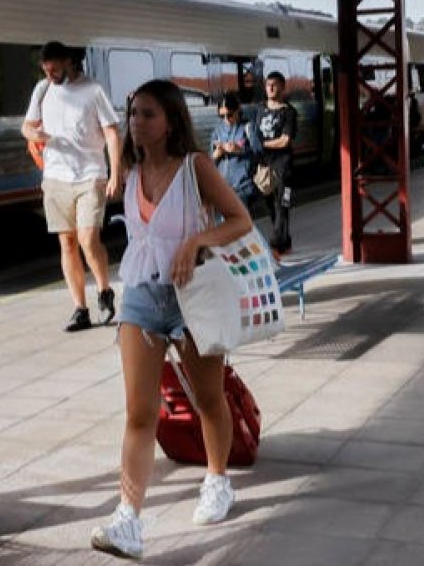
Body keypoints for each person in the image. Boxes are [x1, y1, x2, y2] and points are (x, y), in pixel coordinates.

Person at [90, 79, 252, 559]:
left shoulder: (195, 168)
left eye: (147, 114)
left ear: (171, 121)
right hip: (142, 296)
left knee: (207, 399)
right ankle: (128, 520)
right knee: (140, 414)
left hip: (193, 298)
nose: (135, 122)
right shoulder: (132, 171)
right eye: (132, 113)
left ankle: (218, 480)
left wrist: (194, 241)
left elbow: (239, 219)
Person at [21, 41, 123, 332]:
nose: (50, 75)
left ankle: (104, 289)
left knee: (88, 239)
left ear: (68, 62)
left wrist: (115, 173)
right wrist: (35, 133)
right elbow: (26, 127)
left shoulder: (93, 91)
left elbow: (112, 134)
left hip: (90, 175)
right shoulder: (42, 90)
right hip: (55, 177)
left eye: (54, 69)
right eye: (46, 70)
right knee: (66, 242)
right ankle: (80, 309)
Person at [247, 71, 297, 257]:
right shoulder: (260, 109)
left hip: (284, 167)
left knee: (282, 204)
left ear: (282, 87)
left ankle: (276, 245)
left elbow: (285, 140)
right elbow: (253, 134)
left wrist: (263, 143)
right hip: (264, 165)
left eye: (274, 85)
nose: (270, 88)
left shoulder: (289, 112)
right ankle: (285, 240)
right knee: (270, 206)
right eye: (268, 85)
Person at [210, 91, 257, 216]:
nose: (226, 120)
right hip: (222, 187)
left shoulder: (247, 127)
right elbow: (211, 162)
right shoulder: (218, 130)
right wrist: (216, 154)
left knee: (242, 228)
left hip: (242, 185)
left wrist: (240, 150)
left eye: (229, 115)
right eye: (222, 116)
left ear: (238, 110)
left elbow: (259, 152)